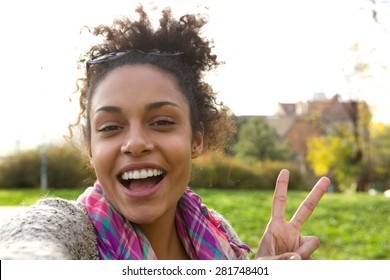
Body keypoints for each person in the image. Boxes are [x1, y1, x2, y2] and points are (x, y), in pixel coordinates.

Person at [0, 5, 330, 260]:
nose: (135, 143)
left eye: (161, 121)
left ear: (196, 139)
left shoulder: (222, 237)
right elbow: (26, 247)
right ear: (90, 147)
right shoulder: (69, 229)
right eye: (111, 127)